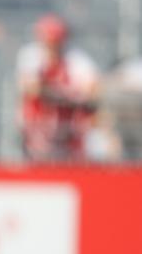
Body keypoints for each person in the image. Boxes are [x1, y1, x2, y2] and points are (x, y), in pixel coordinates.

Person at [16, 14, 99, 161]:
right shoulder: (31, 55)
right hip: (38, 128)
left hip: (69, 129)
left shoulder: (76, 59)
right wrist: (67, 94)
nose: (52, 46)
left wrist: (53, 93)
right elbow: (31, 88)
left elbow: (92, 90)